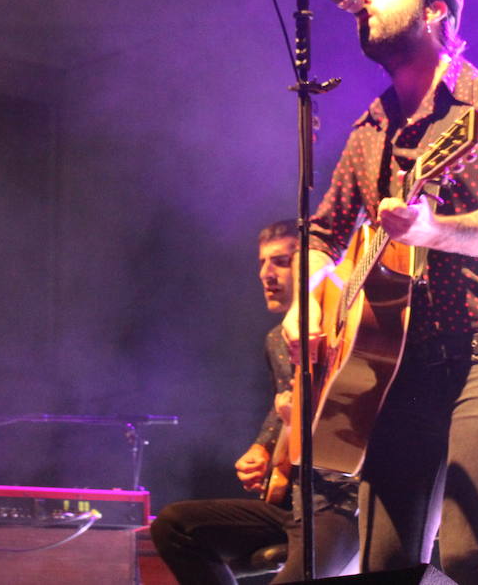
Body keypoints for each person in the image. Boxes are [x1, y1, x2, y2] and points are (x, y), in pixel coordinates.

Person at [285, 0, 478, 585]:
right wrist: (309, 296)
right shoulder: (370, 127)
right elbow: (321, 233)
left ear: (436, 10)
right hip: (398, 371)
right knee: (384, 569)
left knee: (469, 557)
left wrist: (435, 232)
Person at [150, 220, 359, 584]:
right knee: (173, 525)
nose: (266, 274)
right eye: (262, 263)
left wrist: (301, 422)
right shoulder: (278, 339)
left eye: (280, 262)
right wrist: (263, 448)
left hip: (340, 504)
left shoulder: (347, 324)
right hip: (293, 504)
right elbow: (282, 407)